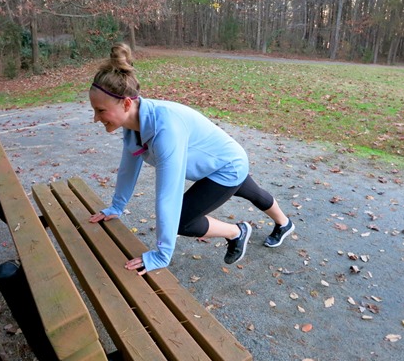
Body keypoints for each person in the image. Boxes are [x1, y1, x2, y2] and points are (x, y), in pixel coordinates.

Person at [88, 43, 295, 275]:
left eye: (100, 110)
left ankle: (237, 232)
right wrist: (117, 206)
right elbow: (128, 166)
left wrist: (161, 254)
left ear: (126, 103)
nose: (96, 118)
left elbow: (169, 195)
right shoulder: (133, 124)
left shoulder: (165, 130)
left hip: (226, 165)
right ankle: (284, 223)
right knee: (251, 192)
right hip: (220, 159)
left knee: (181, 220)